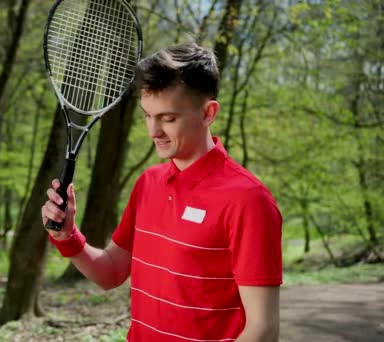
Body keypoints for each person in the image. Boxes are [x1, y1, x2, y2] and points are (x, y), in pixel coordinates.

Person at [41, 41, 282, 342]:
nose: (153, 131)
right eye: (147, 115)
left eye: (168, 118)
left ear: (208, 113)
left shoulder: (249, 200)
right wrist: (67, 236)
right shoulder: (148, 183)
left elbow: (263, 329)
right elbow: (112, 272)